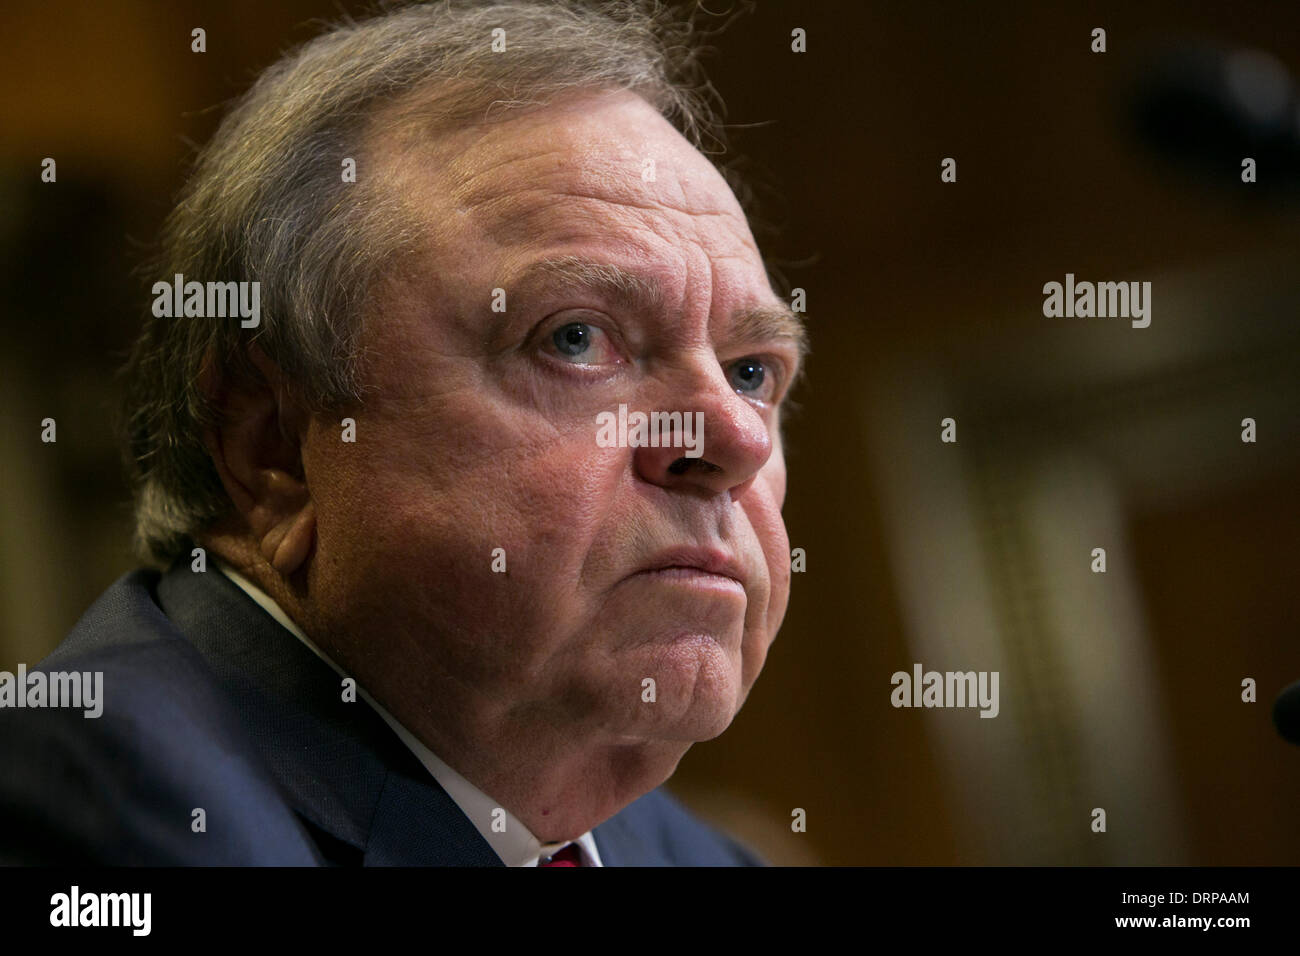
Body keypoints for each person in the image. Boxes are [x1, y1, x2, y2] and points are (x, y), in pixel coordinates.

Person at [0, 0, 807, 866]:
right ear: (273, 449)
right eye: (575, 339)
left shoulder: (702, 861)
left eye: (751, 370)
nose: (732, 437)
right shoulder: (98, 807)